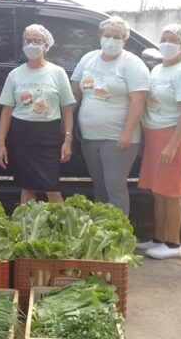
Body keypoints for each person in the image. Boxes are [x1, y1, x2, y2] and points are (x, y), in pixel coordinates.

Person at [136, 24, 181, 260]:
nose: (166, 43)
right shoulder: (157, 70)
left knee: (172, 191)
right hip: (154, 134)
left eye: (172, 39)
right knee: (158, 191)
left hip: (174, 134)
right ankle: (159, 238)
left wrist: (173, 144)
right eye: (163, 38)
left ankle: (173, 243)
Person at [70, 16, 149, 215]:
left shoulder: (132, 63)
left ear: (124, 40)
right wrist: (67, 128)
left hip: (118, 138)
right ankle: (101, 232)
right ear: (100, 36)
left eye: (117, 37)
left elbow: (138, 100)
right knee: (99, 186)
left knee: (115, 186)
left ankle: (119, 235)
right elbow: (74, 94)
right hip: (89, 136)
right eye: (107, 35)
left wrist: (127, 133)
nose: (111, 40)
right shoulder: (88, 59)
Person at [0, 24, 76, 203]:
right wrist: (1, 144)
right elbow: (7, 111)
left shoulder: (57, 73)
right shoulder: (15, 74)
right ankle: (27, 228)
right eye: (28, 41)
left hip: (48, 136)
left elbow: (67, 109)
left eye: (37, 41)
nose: (32, 45)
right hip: (22, 135)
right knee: (27, 185)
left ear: (46, 45)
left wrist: (68, 139)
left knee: (51, 187)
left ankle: (62, 229)